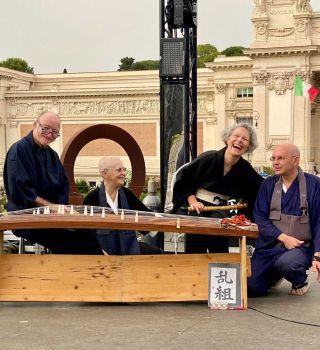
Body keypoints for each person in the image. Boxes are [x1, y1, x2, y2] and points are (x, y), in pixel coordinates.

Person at [3, 111, 102, 255]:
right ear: (35, 125)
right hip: (27, 217)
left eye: (54, 132)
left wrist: (61, 209)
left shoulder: (52, 155)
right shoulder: (20, 150)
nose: (49, 134)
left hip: (52, 216)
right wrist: (51, 207)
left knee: (87, 232)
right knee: (75, 240)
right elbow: (21, 191)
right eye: (45, 128)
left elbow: (63, 185)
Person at [172, 122, 263, 253]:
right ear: (228, 138)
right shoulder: (209, 158)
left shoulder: (246, 170)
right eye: (236, 136)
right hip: (196, 209)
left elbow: (257, 191)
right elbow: (184, 180)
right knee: (197, 235)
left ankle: (219, 268)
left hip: (221, 212)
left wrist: (242, 216)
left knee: (219, 233)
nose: (239, 140)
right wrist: (193, 202)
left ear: (249, 146)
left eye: (245, 139)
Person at [248, 143, 320, 297]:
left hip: (300, 247)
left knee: (288, 264)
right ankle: (274, 275)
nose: (275, 162)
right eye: (273, 158)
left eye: (280, 158)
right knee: (252, 287)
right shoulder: (268, 184)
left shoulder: (313, 184)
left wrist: (318, 253)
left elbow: (318, 221)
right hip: (270, 245)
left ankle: (300, 279)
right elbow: (259, 217)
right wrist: (283, 238)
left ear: (295, 161)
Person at [83, 156, 162, 255]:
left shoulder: (127, 194)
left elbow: (146, 216)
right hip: (102, 254)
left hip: (128, 250)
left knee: (156, 252)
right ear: (104, 173)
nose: (124, 173)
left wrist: (172, 222)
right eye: (119, 170)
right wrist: (99, 251)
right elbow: (86, 233)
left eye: (124, 169)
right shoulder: (92, 198)